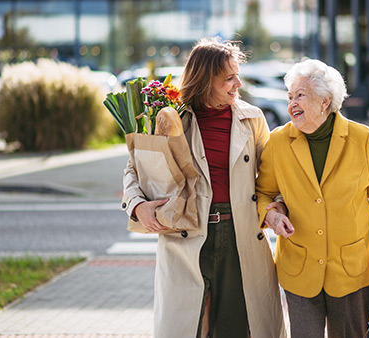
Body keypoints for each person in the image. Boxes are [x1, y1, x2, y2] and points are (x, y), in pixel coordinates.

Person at [122, 37, 286, 338]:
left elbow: (272, 179)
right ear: (206, 79)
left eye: (237, 74)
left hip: (242, 236)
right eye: (229, 78)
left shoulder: (252, 119)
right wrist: (137, 205)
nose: (238, 83)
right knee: (192, 328)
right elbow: (135, 168)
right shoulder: (170, 117)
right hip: (186, 237)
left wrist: (276, 209)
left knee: (240, 329)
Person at [256, 59, 369, 338]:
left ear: (325, 101)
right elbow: (262, 193)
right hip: (299, 268)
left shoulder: (360, 138)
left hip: (351, 270)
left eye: (300, 95)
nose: (292, 104)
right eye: (290, 96)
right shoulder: (278, 142)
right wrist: (271, 216)